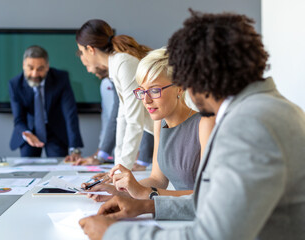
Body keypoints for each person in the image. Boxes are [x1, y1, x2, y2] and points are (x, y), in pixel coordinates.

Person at [79, 10, 305, 240]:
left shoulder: (250, 124)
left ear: (200, 75)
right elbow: (212, 201)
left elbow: (213, 235)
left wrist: (114, 233)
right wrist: (147, 206)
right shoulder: (268, 108)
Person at [85, 48, 214, 202]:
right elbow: (157, 181)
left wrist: (143, 193)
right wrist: (114, 192)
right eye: (142, 91)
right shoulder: (160, 122)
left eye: (154, 90)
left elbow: (206, 196)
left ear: (179, 86)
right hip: (178, 213)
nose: (145, 100)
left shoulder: (205, 124)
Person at [75, 19, 154, 170]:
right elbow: (122, 117)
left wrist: (122, 170)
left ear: (90, 49)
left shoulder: (124, 63)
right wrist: (117, 167)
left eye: (82, 51)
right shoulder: (117, 64)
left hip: (175, 128)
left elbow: (134, 122)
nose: (83, 57)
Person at [9, 45, 83, 158]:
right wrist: (27, 134)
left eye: (40, 69)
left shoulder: (61, 79)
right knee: (27, 168)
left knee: (59, 168)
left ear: (47, 67)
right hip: (29, 131)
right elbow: (19, 119)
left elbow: (70, 114)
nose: (35, 74)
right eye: (30, 68)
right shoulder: (15, 84)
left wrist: (74, 149)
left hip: (55, 131)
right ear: (23, 65)